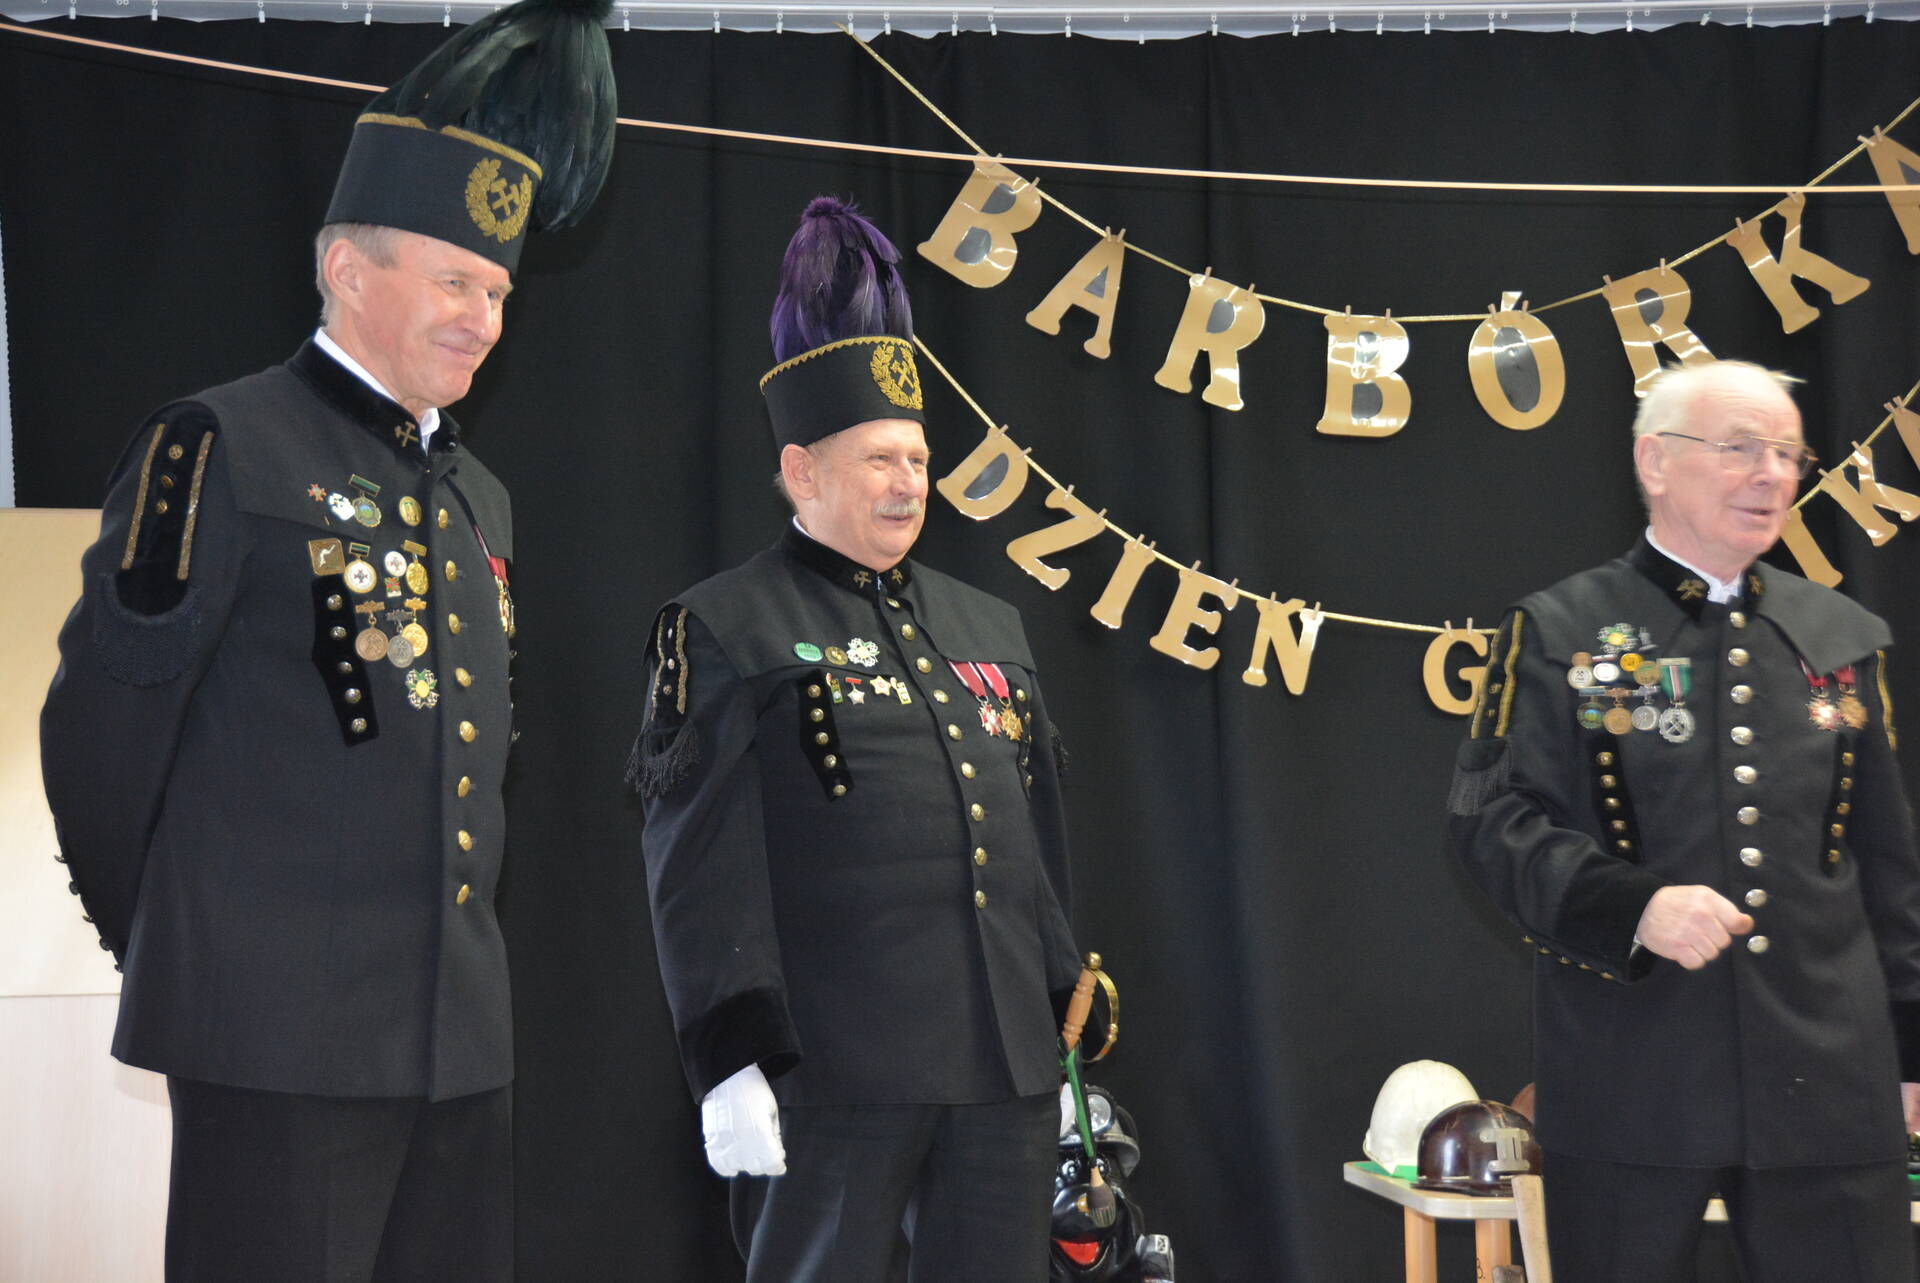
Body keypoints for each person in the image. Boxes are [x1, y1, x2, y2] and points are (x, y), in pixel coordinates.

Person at [38, 4, 614, 1278]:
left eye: (499, 290)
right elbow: (101, 731)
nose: (484, 317)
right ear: (349, 268)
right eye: (455, 280)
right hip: (272, 1034)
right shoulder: (221, 448)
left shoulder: (480, 499)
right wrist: (195, 950)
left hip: (456, 1046)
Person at [631, 197, 1083, 1283]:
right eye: (881, 458)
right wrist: (731, 1055)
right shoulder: (725, 625)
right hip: (830, 1075)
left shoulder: (989, 625)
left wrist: (1063, 1014)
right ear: (804, 472)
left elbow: (1037, 846)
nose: (909, 481)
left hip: (1004, 1070)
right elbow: (697, 867)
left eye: (919, 457)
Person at [1446, 359, 1920, 1282]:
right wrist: (1634, 906)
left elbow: (1888, 863)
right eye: (1740, 448)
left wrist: (1912, 1050)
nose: (1771, 474)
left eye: (1787, 453)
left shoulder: (1840, 636)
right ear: (1654, 462)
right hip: (1634, 1071)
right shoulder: (1562, 627)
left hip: (1830, 1078)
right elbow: (1490, 819)